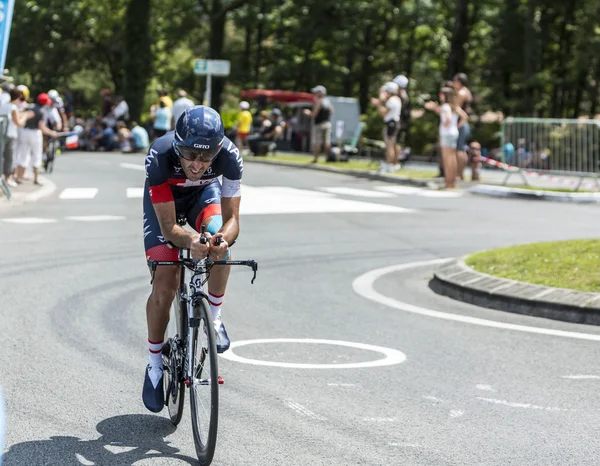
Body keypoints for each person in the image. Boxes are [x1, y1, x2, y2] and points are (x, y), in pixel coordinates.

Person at [142, 105, 242, 413]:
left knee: (221, 246)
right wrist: (189, 241)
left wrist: (222, 239)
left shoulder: (229, 155)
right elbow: (170, 228)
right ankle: (154, 365)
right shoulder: (158, 156)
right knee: (165, 283)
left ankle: (214, 316)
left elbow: (232, 219)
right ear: (176, 145)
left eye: (206, 157)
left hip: (204, 197)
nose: (197, 165)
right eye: (189, 154)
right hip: (166, 202)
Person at [370, 81, 401, 173]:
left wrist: (378, 105)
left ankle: (389, 164)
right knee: (392, 144)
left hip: (391, 123)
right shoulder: (397, 99)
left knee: (389, 146)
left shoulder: (391, 100)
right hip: (395, 123)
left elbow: (383, 113)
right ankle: (392, 164)